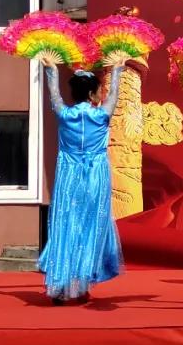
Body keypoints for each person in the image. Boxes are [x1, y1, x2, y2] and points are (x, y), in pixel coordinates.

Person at [38, 63, 124, 303]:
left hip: (69, 176)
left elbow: (54, 95)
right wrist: (117, 70)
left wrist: (52, 70)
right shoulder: (102, 115)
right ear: (92, 94)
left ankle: (60, 287)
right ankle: (82, 285)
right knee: (91, 228)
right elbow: (114, 95)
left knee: (66, 226)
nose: (101, 94)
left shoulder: (64, 114)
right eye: (98, 91)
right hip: (96, 176)